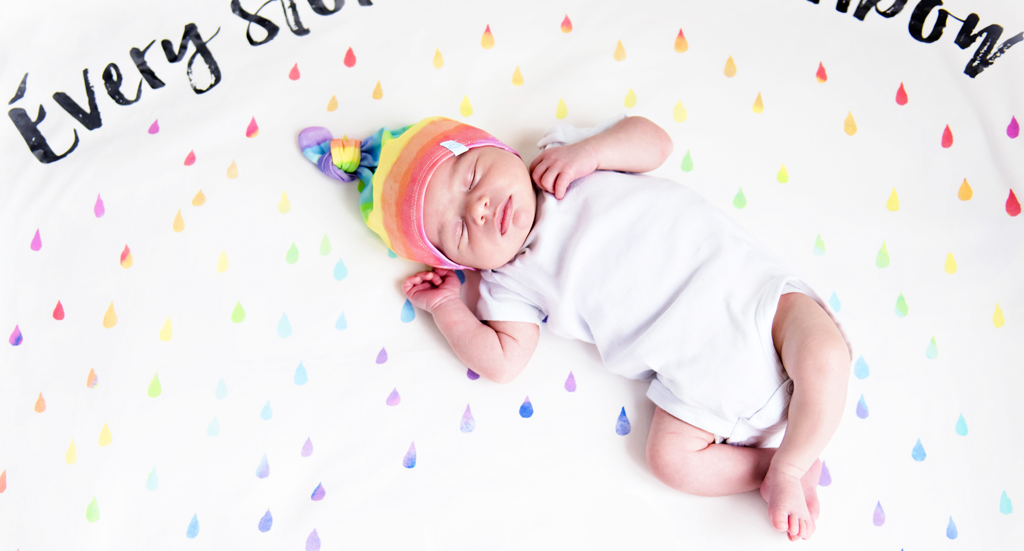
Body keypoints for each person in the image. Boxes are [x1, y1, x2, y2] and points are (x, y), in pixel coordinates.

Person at [300, 114, 851, 542]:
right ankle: (775, 467)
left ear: (496, 146)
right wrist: (449, 308)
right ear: (459, 263)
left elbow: (655, 142)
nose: (482, 207)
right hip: (698, 384)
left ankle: (795, 457)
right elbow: (503, 362)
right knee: (667, 460)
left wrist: (592, 151)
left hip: (754, 304)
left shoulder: (561, 157)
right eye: (460, 229)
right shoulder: (506, 284)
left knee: (825, 353)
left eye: (471, 178)